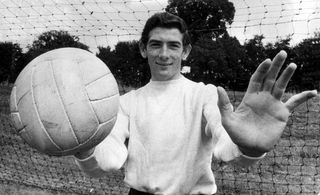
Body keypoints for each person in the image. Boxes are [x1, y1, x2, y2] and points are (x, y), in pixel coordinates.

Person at [74, 12, 317, 195]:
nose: (164, 54)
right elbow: (106, 161)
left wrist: (251, 147)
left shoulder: (204, 95)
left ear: (186, 51)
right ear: (143, 49)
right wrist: (83, 145)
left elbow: (227, 145)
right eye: (155, 44)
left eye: (173, 45)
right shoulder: (126, 102)